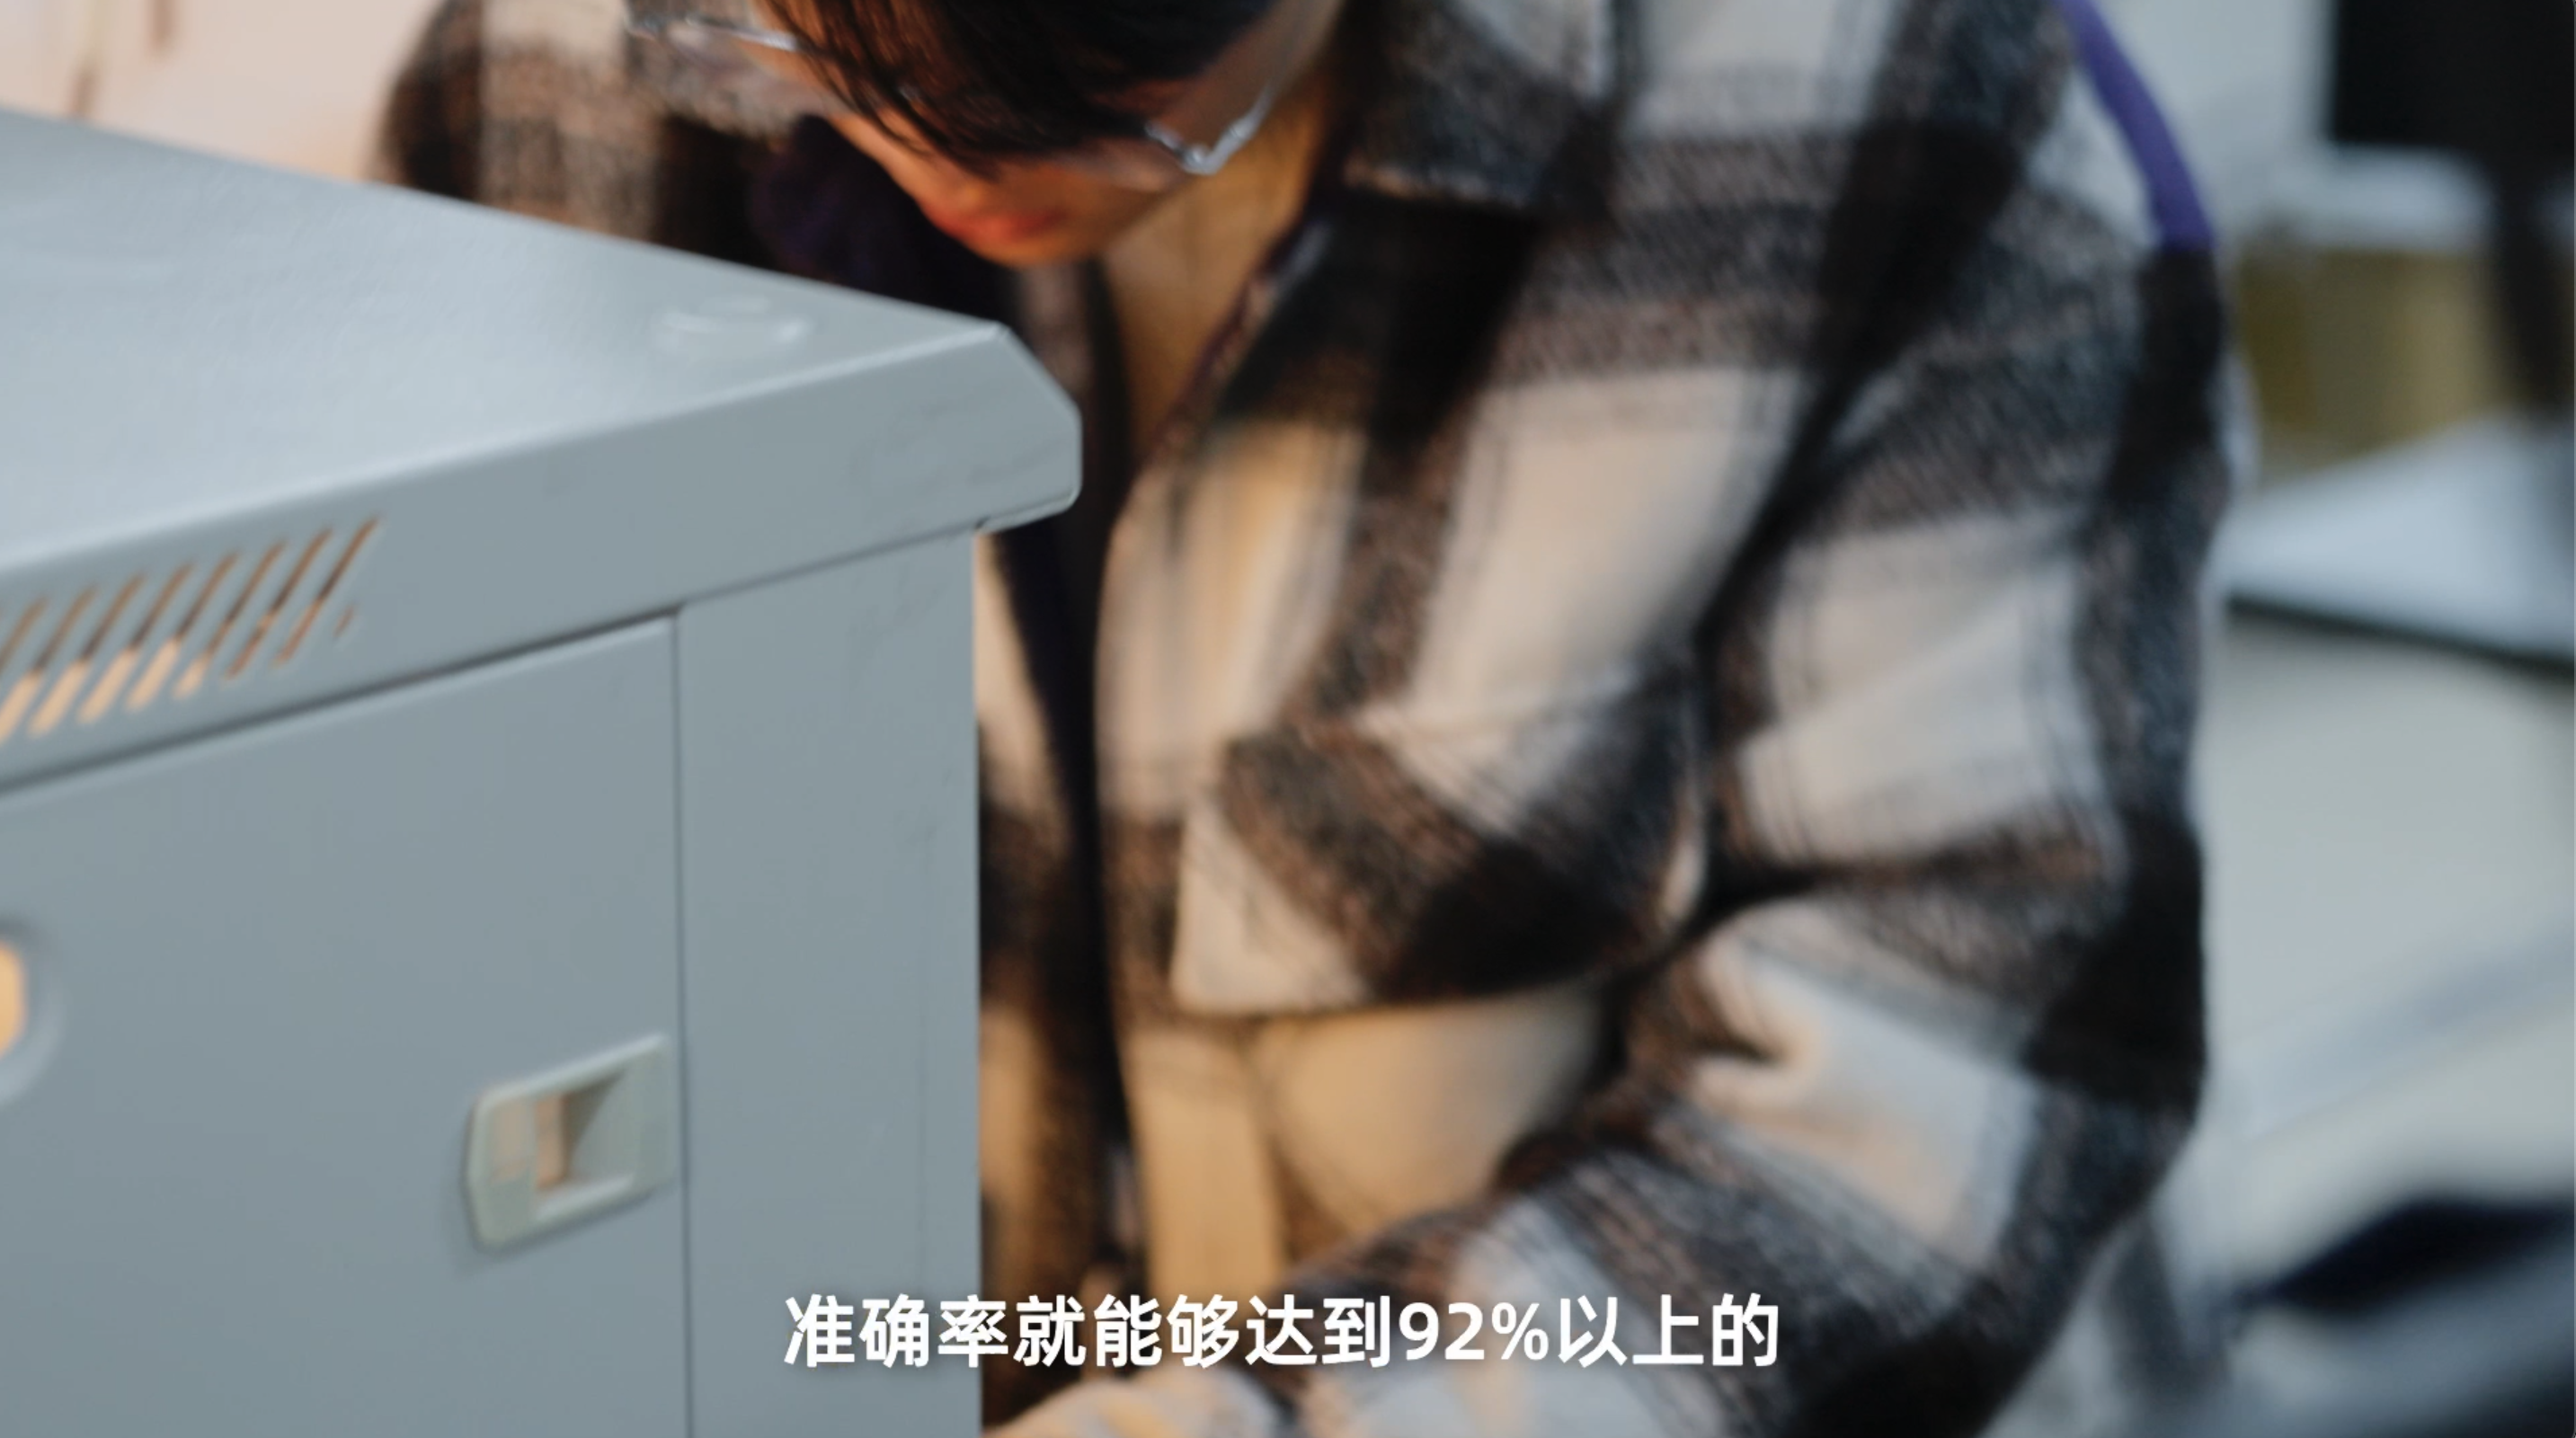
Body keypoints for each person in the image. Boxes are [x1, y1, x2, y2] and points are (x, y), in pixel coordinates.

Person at [381, 0, 2234, 1432]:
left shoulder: (1904, 120)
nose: (942, 176)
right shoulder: (566, 79)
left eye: (1131, 110)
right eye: (809, 54)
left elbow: (1917, 1124)